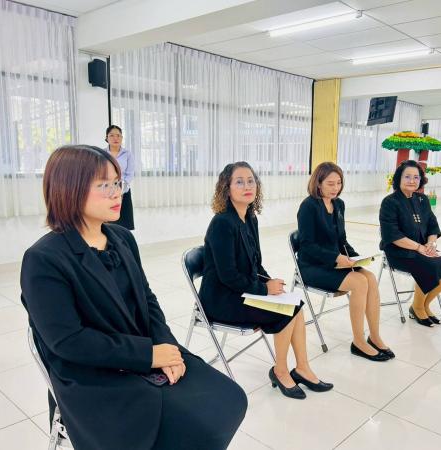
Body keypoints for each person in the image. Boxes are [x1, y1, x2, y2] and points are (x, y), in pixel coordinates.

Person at [20, 145, 247, 450]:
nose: (117, 193)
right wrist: (148, 355)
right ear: (69, 189)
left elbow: (147, 299)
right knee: (190, 426)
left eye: (118, 183)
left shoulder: (122, 238)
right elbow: (69, 341)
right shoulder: (44, 259)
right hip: (94, 377)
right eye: (104, 185)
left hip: (141, 351)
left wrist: (166, 346)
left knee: (230, 399)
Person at [200, 161, 333, 400]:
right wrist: (263, 289)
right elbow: (228, 276)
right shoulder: (222, 223)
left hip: (241, 290)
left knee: (295, 304)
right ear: (226, 188)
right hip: (222, 299)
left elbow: (255, 264)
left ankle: (302, 368)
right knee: (286, 312)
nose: (247, 186)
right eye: (239, 182)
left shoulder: (250, 218)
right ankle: (280, 371)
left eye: (251, 181)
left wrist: (270, 284)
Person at [296, 162, 394, 362]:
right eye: (330, 183)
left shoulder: (339, 204)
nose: (335, 188)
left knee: (370, 278)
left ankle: (374, 336)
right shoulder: (308, 207)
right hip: (312, 266)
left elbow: (342, 241)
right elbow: (307, 246)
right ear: (318, 183)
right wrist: (335, 258)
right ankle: (358, 342)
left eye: (339, 183)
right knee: (359, 282)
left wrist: (356, 259)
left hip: (335, 262)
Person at [379, 160, 441, 327]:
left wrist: (431, 244)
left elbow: (432, 226)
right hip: (398, 251)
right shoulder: (390, 202)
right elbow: (393, 235)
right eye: (407, 176)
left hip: (422, 249)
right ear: (399, 178)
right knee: (430, 266)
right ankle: (418, 307)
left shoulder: (422, 199)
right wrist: (419, 248)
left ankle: (422, 305)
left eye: (416, 177)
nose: (412, 181)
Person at [105, 125, 135, 230]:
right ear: (107, 138)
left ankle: (123, 240)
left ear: (122, 138)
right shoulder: (102, 154)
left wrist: (121, 190)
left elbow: (130, 174)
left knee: (124, 224)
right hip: (107, 190)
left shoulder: (127, 154)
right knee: (109, 222)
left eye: (118, 135)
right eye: (112, 135)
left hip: (124, 190)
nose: (115, 138)